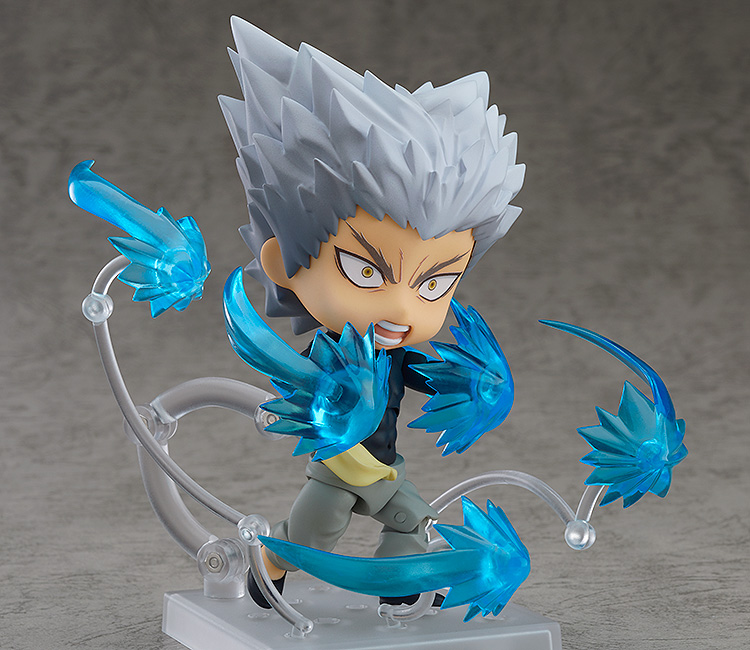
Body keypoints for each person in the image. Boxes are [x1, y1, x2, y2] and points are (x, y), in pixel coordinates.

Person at [219, 17, 525, 607]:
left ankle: (396, 589)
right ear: (284, 263)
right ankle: (271, 559)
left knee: (413, 522)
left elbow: (430, 379)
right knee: (310, 540)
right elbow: (305, 400)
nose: (402, 306)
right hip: (340, 470)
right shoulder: (325, 355)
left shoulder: (399, 351)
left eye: (435, 283)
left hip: (384, 469)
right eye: (366, 272)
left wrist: (478, 385)